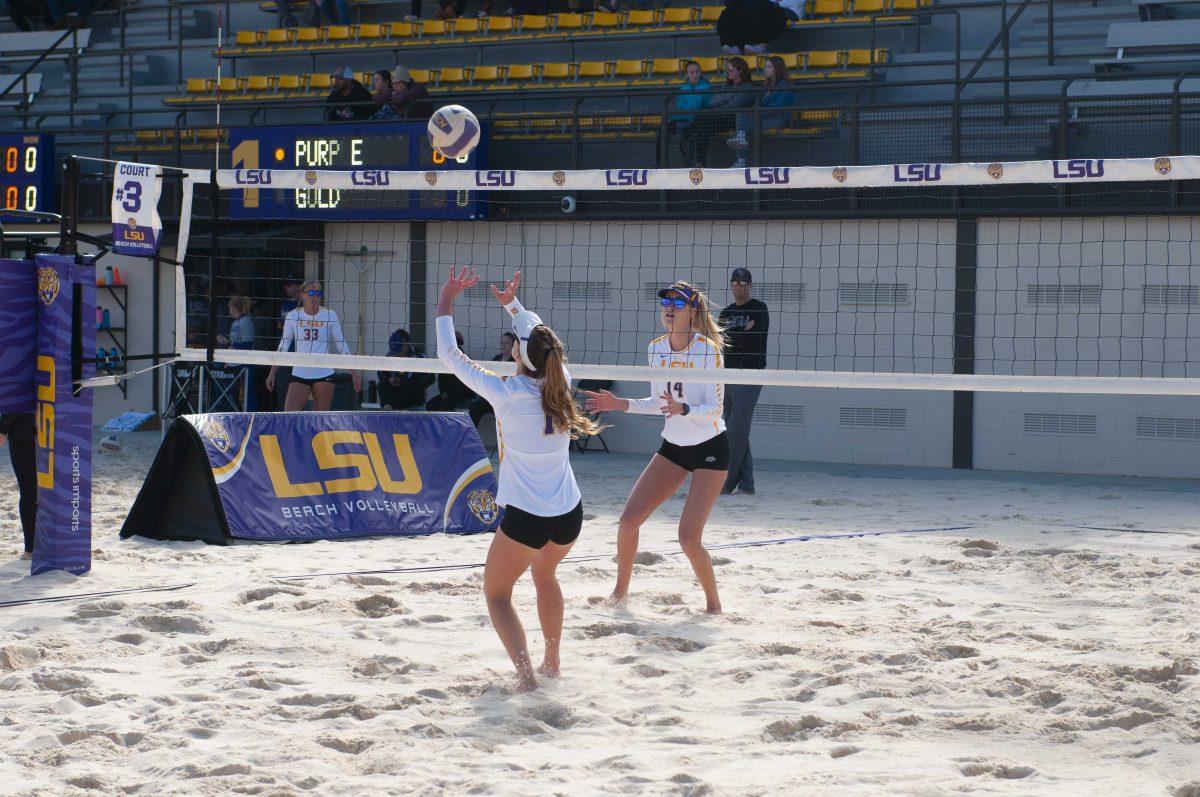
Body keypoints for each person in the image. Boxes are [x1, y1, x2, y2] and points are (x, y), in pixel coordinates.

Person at [436, 267, 601, 692]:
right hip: (569, 515)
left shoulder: (506, 394)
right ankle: (553, 663)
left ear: (518, 356)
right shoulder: (562, 380)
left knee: (496, 595)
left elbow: (451, 357)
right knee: (545, 577)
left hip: (528, 519)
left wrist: (446, 301)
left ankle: (527, 678)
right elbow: (539, 334)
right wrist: (513, 305)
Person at [583, 281, 727, 614]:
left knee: (688, 539)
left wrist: (685, 409)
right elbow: (655, 402)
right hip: (674, 447)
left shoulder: (707, 350)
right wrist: (620, 403)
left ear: (692, 310)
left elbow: (715, 410)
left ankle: (714, 605)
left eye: (676, 304)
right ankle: (619, 594)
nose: (668, 309)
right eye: (665, 303)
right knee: (628, 521)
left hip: (710, 446)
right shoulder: (656, 348)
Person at [266, 281, 362, 411]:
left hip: (324, 372)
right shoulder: (293, 316)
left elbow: (341, 344)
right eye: (311, 292)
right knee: (289, 415)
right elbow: (284, 345)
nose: (315, 296)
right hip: (300, 372)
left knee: (319, 420)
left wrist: (354, 373)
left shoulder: (329, 315)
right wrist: (272, 373)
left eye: (318, 293)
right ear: (302, 295)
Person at [718, 268, 769, 495]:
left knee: (736, 432)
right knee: (734, 429)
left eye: (743, 282)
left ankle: (726, 483)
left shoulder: (759, 308)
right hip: (726, 375)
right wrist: (742, 334)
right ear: (731, 285)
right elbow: (721, 343)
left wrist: (734, 336)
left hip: (749, 374)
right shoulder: (725, 313)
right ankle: (747, 485)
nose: (739, 286)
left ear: (750, 285)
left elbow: (755, 341)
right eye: (735, 282)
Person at [0, 412, 37, 560]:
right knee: (30, 492)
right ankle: (31, 547)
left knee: (36, 492)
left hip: (52, 432)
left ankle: (36, 547)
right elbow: (15, 400)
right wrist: (2, 428)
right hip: (25, 435)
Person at [709, 56, 756, 168]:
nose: (728, 72)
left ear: (740, 70)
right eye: (727, 70)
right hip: (721, 118)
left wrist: (724, 100)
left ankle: (741, 160)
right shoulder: (727, 86)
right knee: (702, 120)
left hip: (740, 121)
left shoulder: (748, 87)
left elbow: (734, 105)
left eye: (731, 69)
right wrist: (731, 95)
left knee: (739, 113)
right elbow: (712, 101)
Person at [669, 60, 712, 168]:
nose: (695, 74)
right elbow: (680, 107)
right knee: (664, 128)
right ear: (687, 74)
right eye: (692, 72)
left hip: (699, 121)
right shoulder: (683, 88)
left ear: (700, 72)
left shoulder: (707, 87)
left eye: (697, 71)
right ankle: (659, 162)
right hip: (685, 121)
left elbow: (708, 106)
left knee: (703, 128)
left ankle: (700, 162)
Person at [378, 328, 435, 409]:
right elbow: (381, 374)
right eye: (394, 351)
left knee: (408, 386)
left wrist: (408, 383)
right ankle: (388, 408)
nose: (396, 354)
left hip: (412, 396)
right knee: (381, 385)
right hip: (395, 394)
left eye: (398, 350)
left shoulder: (419, 356)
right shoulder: (389, 355)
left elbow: (431, 378)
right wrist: (389, 379)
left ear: (405, 344)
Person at [468, 331, 516, 427]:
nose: (503, 345)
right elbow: (488, 376)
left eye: (506, 343)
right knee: (475, 405)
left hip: (506, 399)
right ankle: (471, 436)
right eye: (502, 342)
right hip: (492, 397)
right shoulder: (496, 359)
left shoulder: (516, 362)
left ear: (513, 346)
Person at [716, 0, 789, 55]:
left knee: (763, 10)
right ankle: (737, 47)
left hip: (774, 8)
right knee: (731, 13)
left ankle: (761, 46)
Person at [425, 329, 473, 411]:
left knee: (445, 404)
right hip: (448, 394)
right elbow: (441, 381)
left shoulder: (467, 361)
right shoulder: (445, 362)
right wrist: (443, 392)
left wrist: (451, 394)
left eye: (457, 343)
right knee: (430, 405)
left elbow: (468, 387)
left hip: (464, 394)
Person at [760, 55, 797, 132]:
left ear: (777, 69)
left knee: (750, 125)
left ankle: (741, 137)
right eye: (765, 67)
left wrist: (756, 114)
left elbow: (775, 109)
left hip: (780, 120)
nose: (766, 69)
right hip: (767, 118)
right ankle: (741, 137)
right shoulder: (768, 85)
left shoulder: (783, 85)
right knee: (744, 118)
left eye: (769, 67)